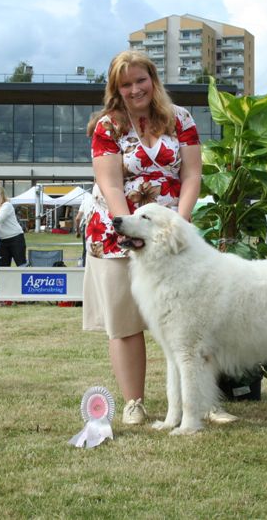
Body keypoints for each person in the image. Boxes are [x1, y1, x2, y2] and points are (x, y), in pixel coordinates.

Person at [83, 50, 202, 425]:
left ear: (153, 79)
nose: (135, 89)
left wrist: (176, 228)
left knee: (187, 323)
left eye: (141, 80)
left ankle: (197, 404)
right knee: (126, 324)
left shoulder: (180, 119)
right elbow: (111, 183)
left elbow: (192, 176)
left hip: (170, 237)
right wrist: (131, 229)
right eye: (126, 84)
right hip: (118, 236)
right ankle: (134, 403)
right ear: (116, 89)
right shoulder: (108, 126)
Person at [74, 189, 95, 266]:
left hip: (88, 227)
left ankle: (85, 269)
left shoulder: (85, 200)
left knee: (86, 251)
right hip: (100, 226)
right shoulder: (103, 198)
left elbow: (77, 218)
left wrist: (78, 231)